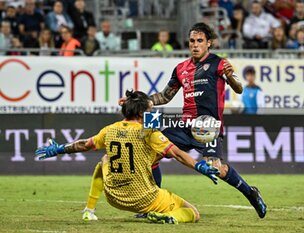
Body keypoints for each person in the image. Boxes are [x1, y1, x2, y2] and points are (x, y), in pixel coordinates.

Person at [82, 22, 267, 220]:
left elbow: (239, 89)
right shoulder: (181, 69)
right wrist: (135, 100)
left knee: (216, 169)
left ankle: (251, 193)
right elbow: (164, 96)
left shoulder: (219, 63)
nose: (195, 45)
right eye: (192, 41)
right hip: (184, 126)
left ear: (209, 43)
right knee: (151, 153)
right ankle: (150, 204)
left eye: (200, 41)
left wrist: (231, 78)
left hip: (208, 128)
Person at [35, 90, 220, 224]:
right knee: (192, 212)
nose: (153, 112)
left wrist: (59, 149)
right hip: (145, 198)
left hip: (115, 198)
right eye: (149, 109)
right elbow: (178, 155)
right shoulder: (150, 133)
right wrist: (200, 167)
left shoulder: (109, 130)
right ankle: (169, 217)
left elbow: (84, 145)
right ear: (141, 113)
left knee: (105, 160)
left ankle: (89, 210)